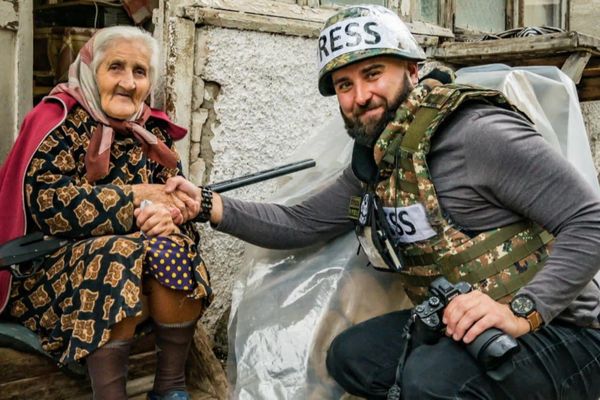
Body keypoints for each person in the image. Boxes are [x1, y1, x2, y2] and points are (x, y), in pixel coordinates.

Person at [166, 5, 600, 400]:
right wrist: (206, 204)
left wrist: (522, 311)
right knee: (352, 357)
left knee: (429, 380)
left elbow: (589, 219)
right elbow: (301, 222)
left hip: (565, 330)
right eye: (344, 85)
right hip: (467, 324)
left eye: (373, 73)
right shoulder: (382, 160)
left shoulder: (478, 133)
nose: (360, 97)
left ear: (412, 70)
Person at [0, 26, 211, 400]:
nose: (128, 83)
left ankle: (170, 388)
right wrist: (133, 199)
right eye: (116, 67)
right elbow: (49, 205)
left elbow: (178, 200)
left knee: (173, 247)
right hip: (47, 271)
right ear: (90, 70)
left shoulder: (151, 134)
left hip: (132, 269)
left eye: (140, 71)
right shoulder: (58, 120)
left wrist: (171, 217)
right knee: (119, 253)